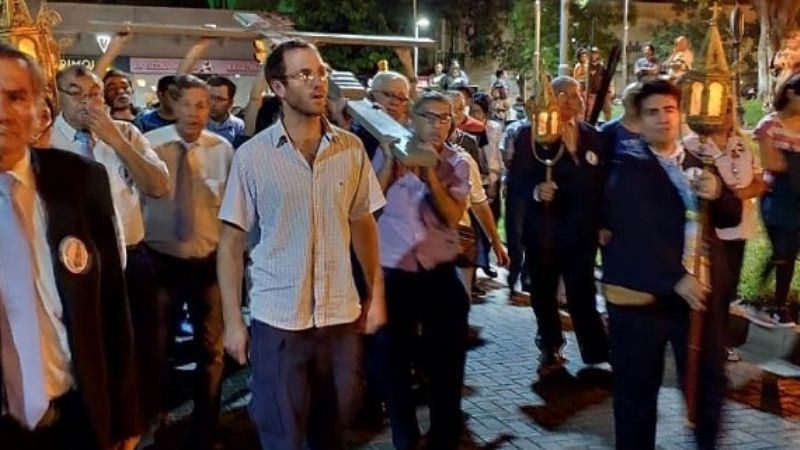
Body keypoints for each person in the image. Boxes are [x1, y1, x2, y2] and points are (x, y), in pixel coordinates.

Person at [217, 39, 386, 450]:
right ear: (278, 87)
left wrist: (376, 292)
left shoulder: (350, 150)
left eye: (321, 72)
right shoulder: (253, 156)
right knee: (281, 434)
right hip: (279, 321)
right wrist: (232, 320)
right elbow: (230, 240)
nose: (318, 82)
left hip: (339, 318)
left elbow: (362, 221)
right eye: (304, 74)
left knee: (334, 430)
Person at [0, 43, 141, 450]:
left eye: (15, 97)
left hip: (74, 411)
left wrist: (125, 413)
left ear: (40, 109)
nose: (3, 112)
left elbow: (112, 303)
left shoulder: (80, 182)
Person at [602, 79, 741, 450]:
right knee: (636, 397)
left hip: (700, 301)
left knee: (707, 390)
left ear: (680, 114)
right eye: (652, 112)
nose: (663, 119)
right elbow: (633, 235)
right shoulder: (626, 171)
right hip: (644, 302)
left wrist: (718, 191)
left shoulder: (699, 163)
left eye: (669, 110)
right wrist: (675, 277)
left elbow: (729, 218)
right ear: (640, 120)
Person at [49, 64, 170, 425]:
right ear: (58, 97)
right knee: (86, 352)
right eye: (77, 94)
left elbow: (159, 186)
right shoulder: (44, 141)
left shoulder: (128, 134)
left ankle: (140, 423)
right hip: (74, 269)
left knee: (141, 347)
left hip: (131, 261)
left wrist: (115, 140)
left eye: (95, 95)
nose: (88, 103)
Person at [374, 91, 471, 450]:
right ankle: (405, 436)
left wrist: (430, 171)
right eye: (429, 117)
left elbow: (452, 215)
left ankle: (445, 436)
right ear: (412, 118)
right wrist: (388, 165)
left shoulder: (457, 162)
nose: (437, 125)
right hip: (395, 275)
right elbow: (367, 208)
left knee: (446, 366)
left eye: (445, 118)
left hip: (439, 274)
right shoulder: (388, 152)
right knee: (394, 363)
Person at [143, 75, 233, 450]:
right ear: (172, 105)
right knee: (156, 347)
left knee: (211, 351)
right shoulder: (149, 146)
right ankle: (154, 421)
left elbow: (232, 211)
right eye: (188, 104)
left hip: (207, 264)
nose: (196, 112)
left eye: (203, 105)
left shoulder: (223, 150)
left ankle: (205, 430)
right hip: (160, 262)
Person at [516, 76, 609, 373]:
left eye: (576, 94)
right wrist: (535, 192)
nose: (571, 100)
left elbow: (603, 184)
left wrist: (603, 222)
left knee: (582, 290)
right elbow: (516, 181)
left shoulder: (593, 136)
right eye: (563, 94)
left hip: (581, 231)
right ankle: (550, 343)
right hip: (543, 230)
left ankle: (595, 350)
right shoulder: (529, 135)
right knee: (543, 291)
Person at [683, 99, 766, 359]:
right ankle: (709, 342)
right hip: (709, 231)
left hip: (739, 227)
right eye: (722, 109)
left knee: (728, 287)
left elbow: (760, 181)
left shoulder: (741, 144)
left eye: (731, 110)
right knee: (713, 288)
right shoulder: (694, 146)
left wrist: (738, 195)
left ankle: (718, 340)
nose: (728, 115)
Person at [754, 72, 800, 325]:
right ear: (791, 93)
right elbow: (771, 162)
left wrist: (789, 160)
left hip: (795, 194)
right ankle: (774, 304)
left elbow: (785, 162)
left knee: (788, 251)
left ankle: (777, 303)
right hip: (777, 197)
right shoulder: (769, 125)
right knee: (782, 249)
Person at [600, 82, 643, 155]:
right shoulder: (609, 130)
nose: (635, 102)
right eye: (632, 97)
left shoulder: (653, 130)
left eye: (640, 98)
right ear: (623, 101)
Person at [206, 75, 246, 146]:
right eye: (210, 97)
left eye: (219, 99)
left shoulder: (238, 126)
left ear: (230, 103)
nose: (213, 103)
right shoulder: (197, 122)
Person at [587, 47, 612, 122]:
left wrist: (610, 89)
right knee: (590, 112)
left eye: (596, 53)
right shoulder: (587, 66)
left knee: (607, 109)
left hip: (602, 91)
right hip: (591, 92)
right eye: (592, 53)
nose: (594, 55)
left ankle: (607, 124)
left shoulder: (601, 66)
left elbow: (607, 77)